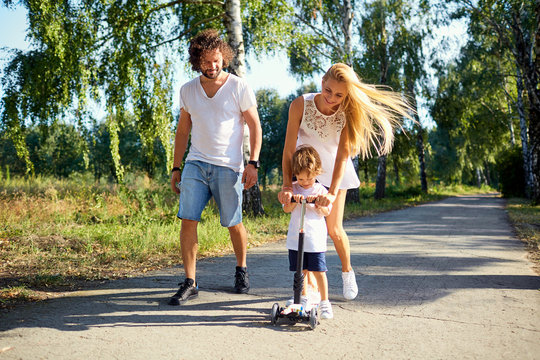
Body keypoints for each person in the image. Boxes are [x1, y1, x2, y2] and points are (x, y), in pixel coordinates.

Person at [278, 63, 413, 300]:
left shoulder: (348, 113)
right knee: (306, 227)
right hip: (306, 169)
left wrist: (331, 192)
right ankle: (308, 287)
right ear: (322, 83)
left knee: (333, 229)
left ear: (347, 95)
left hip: (334, 170)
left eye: (339, 95)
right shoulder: (300, 104)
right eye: (328, 90)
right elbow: (289, 149)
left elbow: (342, 155)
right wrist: (287, 185)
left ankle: (347, 271)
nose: (332, 98)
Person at [168, 29, 262, 306]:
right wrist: (176, 168)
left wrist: (253, 163)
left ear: (224, 57)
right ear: (197, 61)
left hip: (228, 166)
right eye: (207, 61)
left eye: (217, 60)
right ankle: (190, 281)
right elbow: (182, 132)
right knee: (188, 219)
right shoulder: (187, 90)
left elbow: (255, 125)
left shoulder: (238, 87)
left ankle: (241, 269)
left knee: (233, 223)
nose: (212, 66)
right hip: (195, 164)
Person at [282, 145, 333, 319]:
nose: (305, 182)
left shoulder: (320, 190)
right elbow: (286, 209)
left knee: (319, 271)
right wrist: (295, 200)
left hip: (315, 239)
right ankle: (303, 298)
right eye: (301, 178)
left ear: (317, 173)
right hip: (296, 238)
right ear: (295, 174)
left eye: (309, 179)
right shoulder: (293, 189)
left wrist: (319, 203)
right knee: (300, 270)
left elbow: (327, 212)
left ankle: (325, 302)